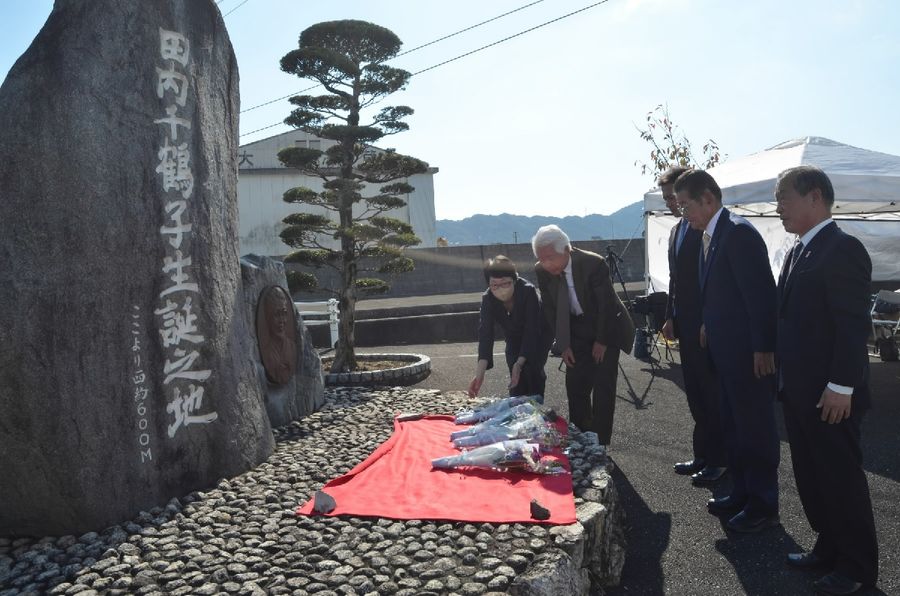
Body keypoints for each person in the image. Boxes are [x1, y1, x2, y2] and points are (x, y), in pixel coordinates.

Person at [775, 166, 878, 595]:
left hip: (830, 394)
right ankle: (829, 546)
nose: (778, 207)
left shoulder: (843, 249)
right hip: (801, 391)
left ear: (814, 197)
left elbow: (852, 326)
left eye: (784, 198)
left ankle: (856, 567)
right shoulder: (800, 249)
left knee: (840, 478)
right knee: (813, 477)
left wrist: (841, 386)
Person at [674, 170, 780, 533]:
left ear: (707, 198)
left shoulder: (738, 233)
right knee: (734, 427)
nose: (682, 212)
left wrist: (763, 346)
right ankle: (741, 491)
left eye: (686, 204)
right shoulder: (712, 234)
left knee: (754, 430)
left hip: (748, 355)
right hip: (724, 352)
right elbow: (717, 292)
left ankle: (763, 503)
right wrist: (707, 323)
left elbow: (761, 295)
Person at [533, 225, 634, 445]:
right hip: (575, 328)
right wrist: (563, 345)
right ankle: (581, 438)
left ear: (566, 249)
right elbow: (551, 309)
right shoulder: (542, 271)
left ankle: (600, 442)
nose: (546, 263)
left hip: (606, 326)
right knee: (576, 385)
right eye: (541, 259)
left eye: (550, 257)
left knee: (603, 388)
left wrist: (602, 341)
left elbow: (606, 306)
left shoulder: (593, 263)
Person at [658, 167, 728, 485]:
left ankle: (720, 459)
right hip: (684, 323)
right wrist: (671, 315)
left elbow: (712, 281)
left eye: (675, 197)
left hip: (707, 325)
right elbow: (676, 279)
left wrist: (707, 320)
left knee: (713, 393)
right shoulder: (677, 231)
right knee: (696, 393)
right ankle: (703, 453)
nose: (672, 204)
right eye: (668, 199)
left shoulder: (706, 227)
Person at [468, 256, 553, 399]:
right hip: (513, 336)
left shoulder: (528, 291)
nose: (500, 290)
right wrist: (479, 374)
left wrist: (520, 363)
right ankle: (517, 408)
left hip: (539, 333)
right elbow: (485, 335)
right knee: (515, 376)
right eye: (494, 285)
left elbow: (531, 330)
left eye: (505, 284)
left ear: (514, 280)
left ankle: (536, 408)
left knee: (532, 369)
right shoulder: (488, 298)